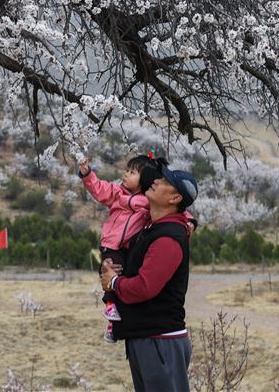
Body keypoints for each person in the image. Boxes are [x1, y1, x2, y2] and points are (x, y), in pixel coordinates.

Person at [99, 164, 199, 392]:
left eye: (165, 181)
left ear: (175, 197)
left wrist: (113, 282)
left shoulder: (168, 238)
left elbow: (145, 287)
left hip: (160, 341)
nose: (156, 181)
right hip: (148, 338)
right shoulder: (153, 228)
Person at [78, 153, 157, 341]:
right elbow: (99, 188)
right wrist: (87, 173)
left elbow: (171, 208)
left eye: (132, 172)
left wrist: (189, 221)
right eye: (127, 170)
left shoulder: (148, 201)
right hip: (111, 246)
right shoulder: (117, 193)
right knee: (110, 275)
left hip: (129, 249)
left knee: (125, 282)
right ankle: (110, 316)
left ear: (145, 179)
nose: (126, 174)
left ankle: (118, 324)